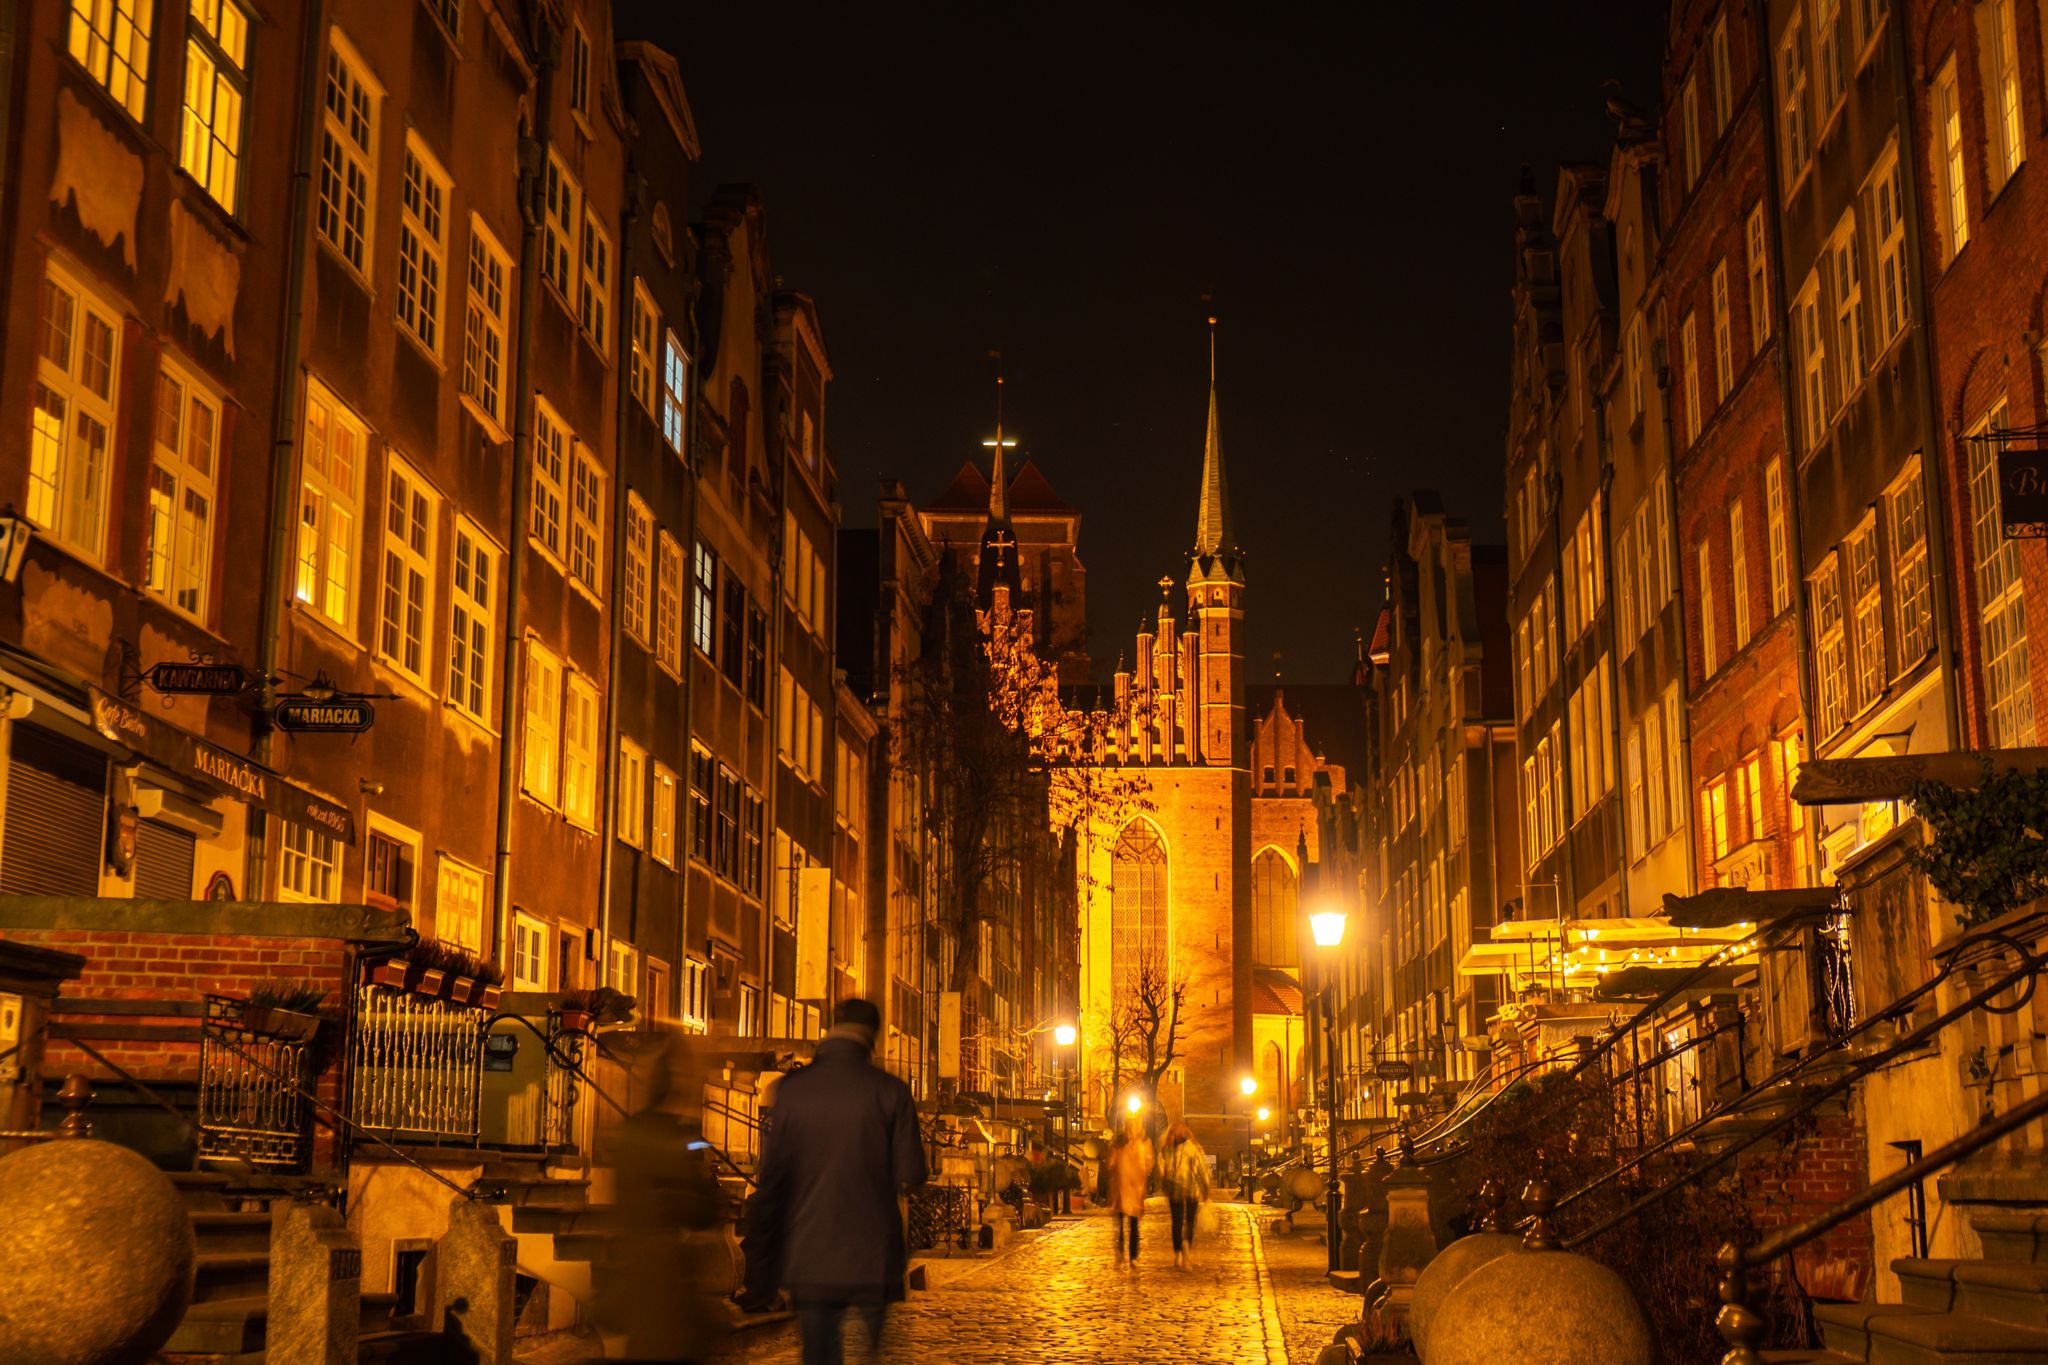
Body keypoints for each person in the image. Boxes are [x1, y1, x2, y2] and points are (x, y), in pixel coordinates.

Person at [754, 998, 928, 1365]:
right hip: (872, 1252)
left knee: (818, 1352)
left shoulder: (792, 1090)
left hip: (809, 1248)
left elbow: (772, 1180)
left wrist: (764, 1260)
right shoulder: (890, 1091)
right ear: (873, 1037)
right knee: (874, 1352)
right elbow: (912, 1173)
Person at [591, 1030, 729, 1363]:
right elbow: (700, 1208)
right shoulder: (675, 1137)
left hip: (637, 1267)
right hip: (667, 1277)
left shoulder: (630, 1132)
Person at [1105, 1113, 1154, 1269]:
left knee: (1133, 1225)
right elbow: (1111, 1163)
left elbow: (1148, 1163)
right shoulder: (1119, 1144)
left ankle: (1132, 1255)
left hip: (1134, 1190)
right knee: (1120, 1225)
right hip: (1121, 1189)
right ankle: (1121, 1253)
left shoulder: (1143, 1143)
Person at [1159, 1122, 1211, 1269]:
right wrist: (1205, 1189)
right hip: (1190, 1190)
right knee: (1188, 1222)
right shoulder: (1193, 1148)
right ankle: (1185, 1247)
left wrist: (1164, 1184)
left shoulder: (1167, 1150)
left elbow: (1163, 1171)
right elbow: (1202, 1170)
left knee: (1178, 1222)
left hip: (1176, 1191)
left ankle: (1179, 1253)